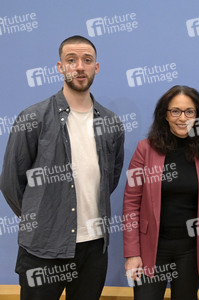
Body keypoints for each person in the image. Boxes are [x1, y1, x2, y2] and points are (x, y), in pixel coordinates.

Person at [0, 35, 124, 300]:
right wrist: (43, 219)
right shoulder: (33, 118)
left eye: (87, 60)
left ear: (96, 67)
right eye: (72, 60)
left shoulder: (112, 123)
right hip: (42, 249)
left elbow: (109, 179)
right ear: (60, 67)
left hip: (93, 248)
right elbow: (11, 182)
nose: (79, 66)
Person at [123, 85, 199, 300]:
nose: (182, 118)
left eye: (189, 112)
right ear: (164, 115)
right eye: (175, 111)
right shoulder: (145, 149)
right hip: (152, 249)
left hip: (191, 250)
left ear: (198, 116)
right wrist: (132, 253)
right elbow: (131, 204)